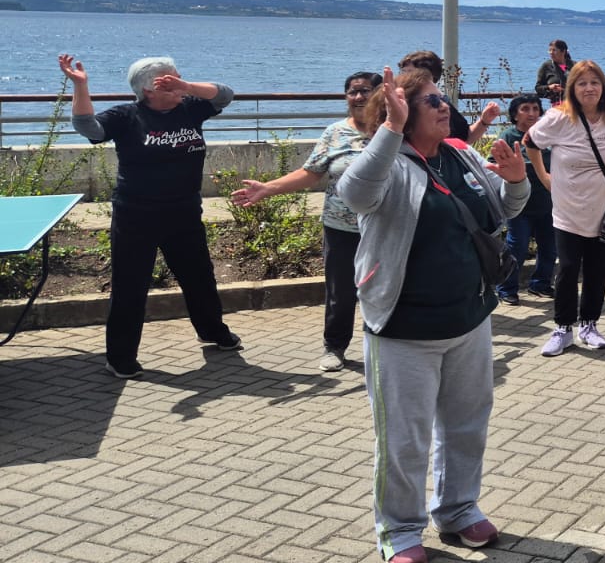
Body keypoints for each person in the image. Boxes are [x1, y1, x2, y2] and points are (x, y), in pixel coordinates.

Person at [337, 65, 530, 563]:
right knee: (405, 437)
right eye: (431, 102)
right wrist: (391, 131)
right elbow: (354, 195)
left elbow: (504, 211)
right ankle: (398, 528)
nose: (445, 107)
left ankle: (458, 509)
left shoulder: (461, 155)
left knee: (467, 425)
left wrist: (516, 181)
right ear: (397, 110)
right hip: (404, 327)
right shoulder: (384, 163)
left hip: (469, 318)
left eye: (444, 99)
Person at [61, 53, 242, 379]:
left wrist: (185, 86)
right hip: (136, 216)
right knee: (131, 286)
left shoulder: (190, 107)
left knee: (200, 278)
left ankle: (213, 332)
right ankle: (120, 357)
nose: (178, 87)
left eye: (178, 79)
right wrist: (81, 86)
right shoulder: (127, 116)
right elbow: (89, 128)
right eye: (169, 82)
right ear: (149, 90)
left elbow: (226, 95)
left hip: (184, 212)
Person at [229, 70, 380, 370]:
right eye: (352, 91)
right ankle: (335, 347)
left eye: (365, 91)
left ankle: (388, 347)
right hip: (342, 227)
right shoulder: (335, 133)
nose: (359, 97)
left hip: (384, 227)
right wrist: (267, 189)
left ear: (380, 95)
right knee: (341, 292)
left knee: (388, 288)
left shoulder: (393, 132)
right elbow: (311, 172)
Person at [531, 60, 605, 355]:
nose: (589, 88)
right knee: (567, 267)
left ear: (603, 86)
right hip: (569, 209)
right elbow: (531, 142)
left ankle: (589, 324)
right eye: (581, 83)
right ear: (571, 89)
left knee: (598, 269)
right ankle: (563, 328)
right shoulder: (558, 118)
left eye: (594, 82)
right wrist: (545, 177)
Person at [493, 95, 555, 306]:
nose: (531, 113)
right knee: (516, 247)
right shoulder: (508, 136)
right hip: (520, 206)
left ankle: (540, 284)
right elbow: (494, 165)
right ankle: (506, 288)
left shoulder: (546, 135)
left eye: (536, 109)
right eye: (525, 109)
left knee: (550, 247)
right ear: (514, 113)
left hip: (547, 203)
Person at [399, 50, 499, 144]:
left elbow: (465, 137)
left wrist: (484, 121)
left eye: (409, 73)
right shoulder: (395, 105)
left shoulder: (443, 106)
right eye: (403, 72)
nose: (403, 78)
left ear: (430, 77)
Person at [536, 39, 575, 105]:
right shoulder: (546, 66)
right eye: (550, 50)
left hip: (575, 105)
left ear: (563, 51)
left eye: (554, 50)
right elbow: (538, 88)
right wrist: (549, 87)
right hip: (557, 106)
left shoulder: (575, 66)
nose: (551, 52)